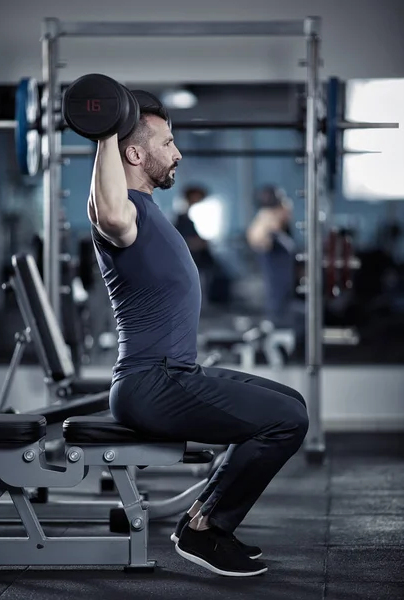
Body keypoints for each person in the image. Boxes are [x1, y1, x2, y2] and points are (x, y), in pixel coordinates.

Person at [87, 100, 309, 577]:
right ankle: (205, 530)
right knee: (285, 419)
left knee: (289, 401)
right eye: (167, 142)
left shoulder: (146, 209)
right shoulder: (121, 217)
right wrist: (105, 132)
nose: (178, 152)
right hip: (152, 382)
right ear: (135, 156)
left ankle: (200, 520)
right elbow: (106, 207)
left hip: (172, 374)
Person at [247, 186, 297, 328]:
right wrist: (267, 216)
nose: (288, 207)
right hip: (277, 305)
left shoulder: (284, 234)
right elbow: (256, 239)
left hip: (289, 298)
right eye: (283, 204)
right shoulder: (266, 232)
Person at [174, 185, 231, 305]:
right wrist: (199, 243)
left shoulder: (188, 219)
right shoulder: (181, 219)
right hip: (192, 259)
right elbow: (183, 241)